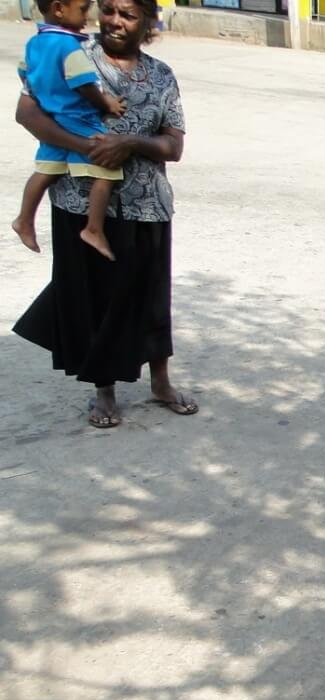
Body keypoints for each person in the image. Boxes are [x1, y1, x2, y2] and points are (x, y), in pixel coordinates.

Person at [12, 0, 197, 429]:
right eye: (109, 9)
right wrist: (88, 149)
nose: (115, 20)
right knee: (95, 296)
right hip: (79, 201)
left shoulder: (161, 75)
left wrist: (130, 143)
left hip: (147, 204)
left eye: (128, 14)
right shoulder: (70, 51)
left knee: (151, 296)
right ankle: (104, 390)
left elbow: (174, 145)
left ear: (147, 22)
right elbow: (27, 112)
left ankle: (161, 382)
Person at [12, 0, 127, 261]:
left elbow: (24, 73)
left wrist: (45, 93)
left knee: (45, 171)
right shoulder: (69, 46)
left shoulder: (34, 42)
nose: (88, 15)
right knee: (107, 169)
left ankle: (24, 219)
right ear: (59, 9)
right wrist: (106, 102)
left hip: (51, 116)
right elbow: (84, 84)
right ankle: (94, 228)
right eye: (83, 9)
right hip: (77, 116)